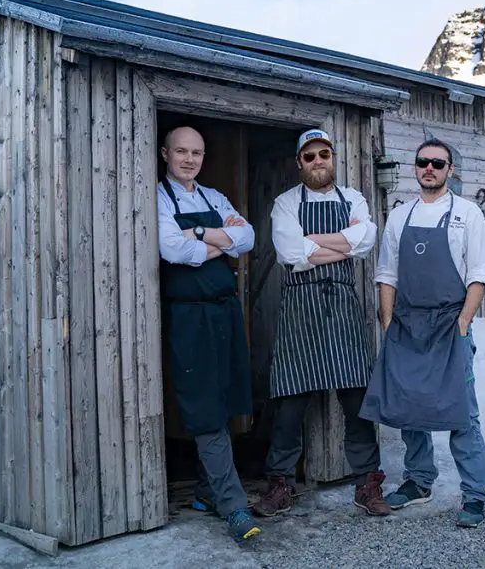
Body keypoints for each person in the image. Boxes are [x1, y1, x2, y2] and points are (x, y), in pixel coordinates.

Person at [252, 128, 392, 518]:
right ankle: (280, 483)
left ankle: (367, 482)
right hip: (301, 308)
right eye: (310, 156)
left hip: (344, 308)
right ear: (299, 162)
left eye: (324, 155)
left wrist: (315, 241)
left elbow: (364, 242)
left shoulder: (355, 198)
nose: (318, 162)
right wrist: (340, 244)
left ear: (333, 158)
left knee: (357, 399)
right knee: (290, 402)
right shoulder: (285, 203)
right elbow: (289, 251)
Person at [359, 137, 485, 528]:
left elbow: (479, 275)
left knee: (462, 413)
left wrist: (463, 323)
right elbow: (386, 274)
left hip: (450, 325)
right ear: (415, 168)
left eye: (438, 162)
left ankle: (475, 494)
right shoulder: (400, 217)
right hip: (406, 325)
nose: (429, 168)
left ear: (450, 170)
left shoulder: (467, 214)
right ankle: (418, 481)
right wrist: (388, 322)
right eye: (423, 162)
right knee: (408, 408)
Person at [157, 125, 261, 543]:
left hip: (225, 312)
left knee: (227, 397)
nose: (189, 159)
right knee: (202, 403)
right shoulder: (157, 198)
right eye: (181, 151)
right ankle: (233, 506)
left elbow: (248, 237)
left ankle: (204, 492)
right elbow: (170, 249)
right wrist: (221, 243)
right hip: (187, 316)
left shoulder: (213, 197)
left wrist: (199, 235)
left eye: (196, 153)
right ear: (165, 154)